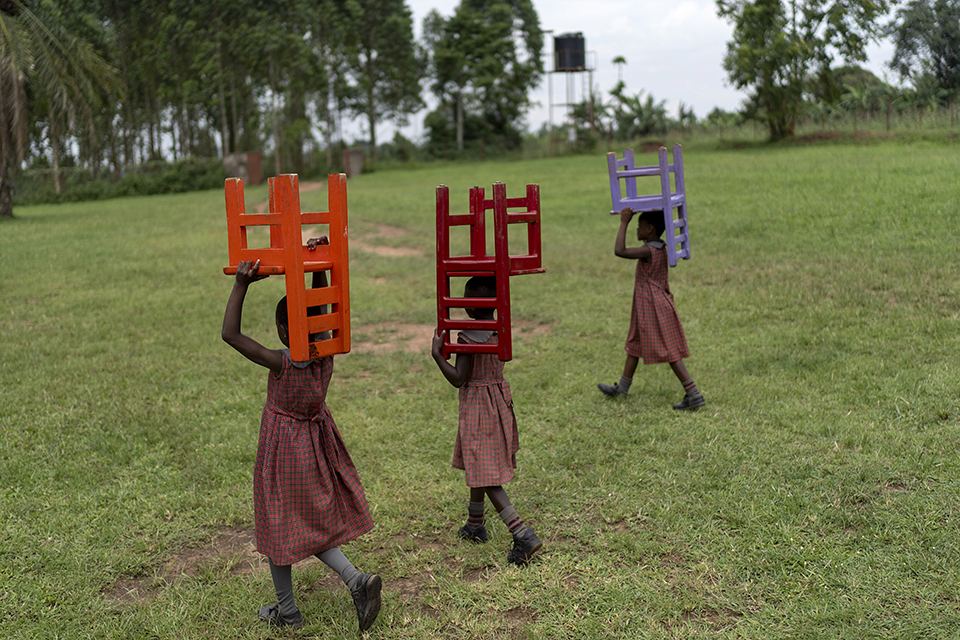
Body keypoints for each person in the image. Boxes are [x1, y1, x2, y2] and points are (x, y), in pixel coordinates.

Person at [221, 237, 381, 632]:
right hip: (316, 446)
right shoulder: (326, 354)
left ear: (280, 330)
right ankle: (356, 580)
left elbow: (230, 334)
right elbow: (321, 310)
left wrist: (241, 284)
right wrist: (319, 265)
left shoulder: (280, 362)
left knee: (280, 525)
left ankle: (289, 612)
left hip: (283, 451)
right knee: (308, 522)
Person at [431, 275, 543, 565]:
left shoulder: (467, 336)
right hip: (499, 400)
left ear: (469, 307)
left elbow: (458, 378)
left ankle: (522, 534)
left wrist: (437, 356)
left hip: (478, 406)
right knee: (479, 462)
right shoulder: (499, 329)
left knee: (486, 471)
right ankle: (475, 523)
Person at [597, 207, 705, 410]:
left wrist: (623, 222)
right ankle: (623, 388)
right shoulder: (660, 247)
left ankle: (694, 393)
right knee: (634, 344)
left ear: (649, 229)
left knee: (670, 351)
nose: (636, 230)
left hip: (653, 306)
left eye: (639, 227)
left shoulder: (649, 250)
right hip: (649, 305)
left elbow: (619, 251)